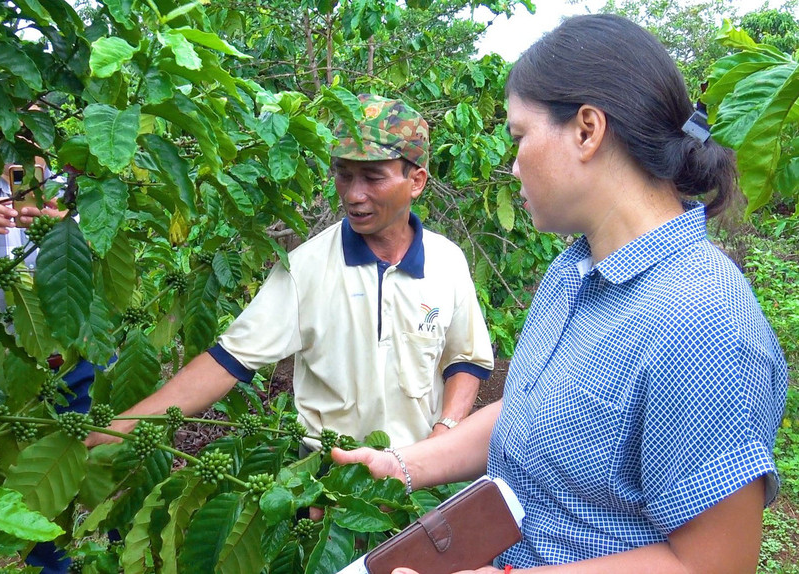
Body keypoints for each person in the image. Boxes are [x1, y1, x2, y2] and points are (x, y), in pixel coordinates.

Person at [331, 15, 788, 573]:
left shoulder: (704, 325)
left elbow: (712, 565)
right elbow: (530, 413)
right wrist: (401, 464)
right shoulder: (575, 269)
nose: (513, 163)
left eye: (520, 137)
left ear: (587, 130)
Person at [86, 94, 494, 451]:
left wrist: (446, 432)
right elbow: (229, 360)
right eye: (343, 173)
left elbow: (465, 359)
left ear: (416, 181)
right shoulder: (307, 267)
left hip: (417, 478)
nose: (353, 194)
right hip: (327, 481)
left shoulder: (447, 262)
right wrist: (124, 426)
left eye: (372, 177)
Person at [0, 158, 101, 573]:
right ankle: (52, 566)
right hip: (9, 356)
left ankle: (114, 550)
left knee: (107, 459)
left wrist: (70, 228)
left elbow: (106, 259)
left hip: (80, 353)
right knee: (32, 476)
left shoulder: (75, 181)